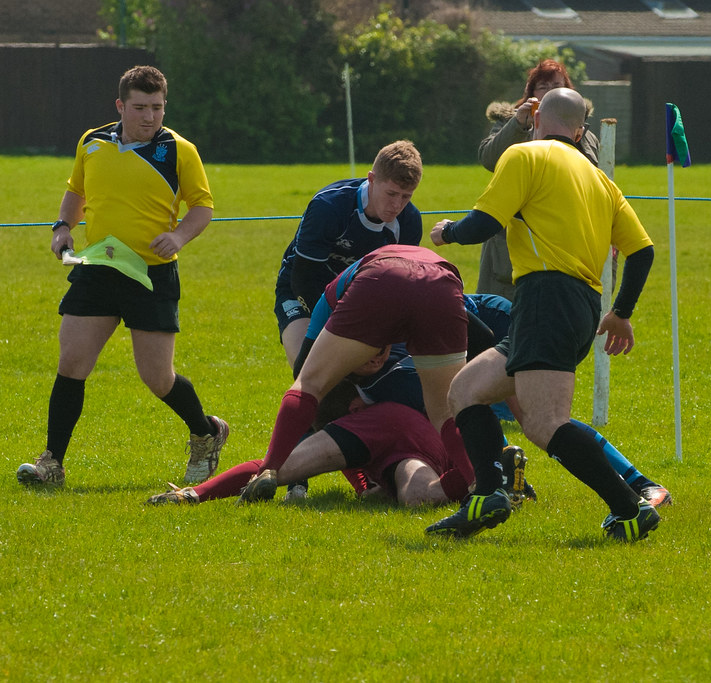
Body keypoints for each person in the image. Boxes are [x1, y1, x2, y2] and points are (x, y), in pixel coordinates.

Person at [427, 87, 658, 542]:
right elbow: (643, 251)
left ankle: (630, 508)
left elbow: (484, 223)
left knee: (544, 423)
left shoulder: (524, 156)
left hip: (546, 298)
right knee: (466, 392)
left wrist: (447, 232)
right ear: (580, 131)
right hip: (575, 308)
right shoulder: (601, 181)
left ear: (535, 120)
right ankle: (490, 495)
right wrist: (621, 312)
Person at [18, 65, 228, 488]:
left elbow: (202, 208)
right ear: (120, 106)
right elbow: (77, 191)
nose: (150, 117)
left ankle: (206, 432)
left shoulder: (179, 151)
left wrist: (179, 236)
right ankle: (51, 464)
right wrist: (63, 226)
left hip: (151, 275)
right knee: (72, 362)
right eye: (140, 108)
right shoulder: (91, 142)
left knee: (157, 377)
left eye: (158, 107)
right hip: (97, 268)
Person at [235, 244, 468, 504]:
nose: (376, 356)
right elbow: (481, 334)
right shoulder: (395, 377)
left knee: (309, 383)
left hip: (384, 274)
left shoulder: (336, 295)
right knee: (447, 410)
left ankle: (268, 469)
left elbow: (305, 375)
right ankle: (486, 479)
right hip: (444, 281)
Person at [147, 344, 475, 507]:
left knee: (274, 468)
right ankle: (487, 476)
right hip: (429, 452)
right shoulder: (400, 401)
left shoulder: (364, 417)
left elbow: (274, 463)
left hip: (391, 438)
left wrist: (200, 491)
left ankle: (191, 495)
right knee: (420, 495)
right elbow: (358, 471)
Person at [464, 293, 672, 508]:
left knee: (540, 418)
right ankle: (514, 484)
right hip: (491, 330)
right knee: (474, 406)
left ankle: (641, 483)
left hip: (503, 326)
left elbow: (480, 334)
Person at [275, 140, 422, 368]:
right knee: (309, 368)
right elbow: (303, 278)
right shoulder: (329, 207)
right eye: (391, 193)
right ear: (371, 179)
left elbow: (399, 287)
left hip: (360, 298)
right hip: (303, 291)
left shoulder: (409, 221)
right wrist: (343, 327)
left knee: (377, 368)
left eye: (406, 196)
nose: (397, 205)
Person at [475, 59, 600, 300]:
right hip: (510, 248)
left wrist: (574, 132)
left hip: (563, 242)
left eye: (557, 85)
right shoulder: (510, 124)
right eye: (543, 87)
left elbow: (593, 173)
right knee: (503, 319)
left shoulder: (584, 132)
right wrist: (518, 125)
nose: (550, 92)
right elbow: (489, 159)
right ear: (530, 92)